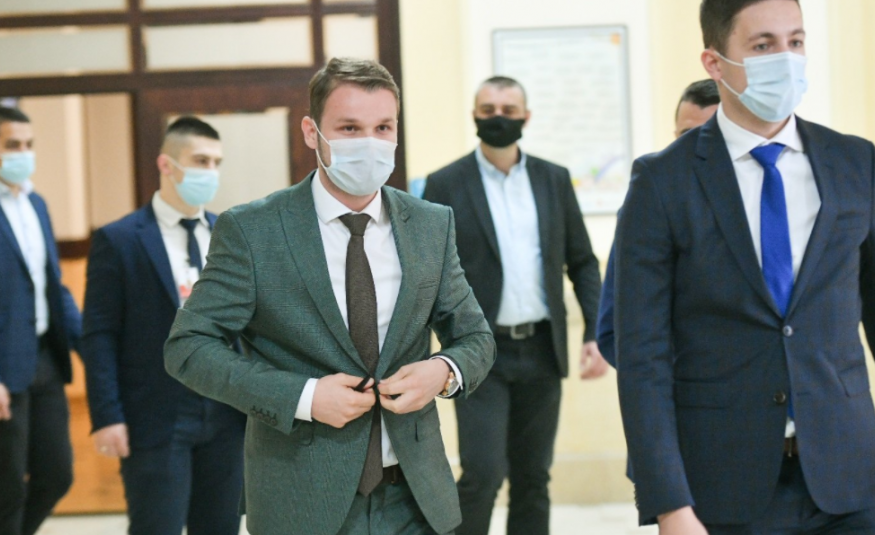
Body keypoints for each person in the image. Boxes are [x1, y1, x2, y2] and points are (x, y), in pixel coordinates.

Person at [164, 58, 496, 535]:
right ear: (311, 132)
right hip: (301, 499)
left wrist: (443, 371)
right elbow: (188, 347)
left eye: (383, 127)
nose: (369, 143)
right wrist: (303, 396)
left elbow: (476, 338)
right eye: (349, 128)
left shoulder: (430, 224)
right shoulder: (253, 231)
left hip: (415, 497)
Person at [615, 0, 875, 533]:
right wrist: (669, 503)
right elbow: (642, 357)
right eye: (762, 45)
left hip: (850, 480)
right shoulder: (662, 182)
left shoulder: (856, 162)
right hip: (723, 486)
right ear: (715, 62)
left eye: (795, 41)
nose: (786, 58)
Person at [424, 76, 605, 535]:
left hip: (542, 348)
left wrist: (595, 331)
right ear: (474, 116)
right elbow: (426, 274)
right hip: (478, 353)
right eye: (488, 110)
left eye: (508, 109)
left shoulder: (553, 179)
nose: (498, 118)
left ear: (526, 116)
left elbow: (582, 261)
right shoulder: (446, 184)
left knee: (533, 477)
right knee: (482, 474)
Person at [81, 117, 245, 535]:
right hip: (155, 416)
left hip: (226, 413)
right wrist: (107, 415)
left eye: (217, 162)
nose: (211, 171)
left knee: (222, 526)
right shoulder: (120, 239)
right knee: (157, 526)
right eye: (201, 160)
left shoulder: (231, 233)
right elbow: (99, 334)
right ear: (166, 165)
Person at [597, 79, 720, 366]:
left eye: (712, 134)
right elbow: (614, 328)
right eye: (688, 135)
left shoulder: (769, 200)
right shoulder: (647, 206)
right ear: (674, 136)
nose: (699, 145)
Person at [0, 106, 82, 535]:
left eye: (28, 144)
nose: (23, 153)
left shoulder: (36, 204)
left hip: (45, 359)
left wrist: (89, 342)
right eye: (12, 145)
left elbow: (53, 285)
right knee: (8, 489)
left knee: (56, 475)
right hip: (4, 370)